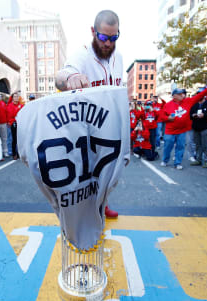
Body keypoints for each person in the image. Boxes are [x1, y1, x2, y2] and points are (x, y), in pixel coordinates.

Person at [54, 9, 122, 218]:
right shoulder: (82, 55)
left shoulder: (117, 57)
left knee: (107, 173)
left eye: (113, 37)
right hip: (83, 130)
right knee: (84, 175)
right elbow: (60, 76)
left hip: (108, 127)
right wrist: (71, 77)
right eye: (103, 37)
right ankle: (82, 213)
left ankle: (103, 203)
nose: (108, 43)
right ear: (93, 32)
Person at [160, 87, 207, 169]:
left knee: (180, 146)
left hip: (182, 130)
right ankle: (165, 160)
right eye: (179, 94)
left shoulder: (188, 101)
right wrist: (168, 118)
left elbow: (198, 96)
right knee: (168, 146)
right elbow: (161, 116)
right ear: (174, 96)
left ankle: (177, 163)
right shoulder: (168, 105)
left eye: (182, 93)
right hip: (170, 130)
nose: (182, 95)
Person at [189, 91, 207, 168]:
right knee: (197, 145)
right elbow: (190, 115)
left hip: (205, 127)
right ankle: (198, 159)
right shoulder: (195, 104)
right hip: (196, 127)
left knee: (205, 145)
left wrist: (204, 115)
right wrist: (193, 115)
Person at [6, 92, 24, 160]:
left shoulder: (21, 105)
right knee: (14, 139)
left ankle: (19, 153)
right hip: (13, 123)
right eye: (15, 96)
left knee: (20, 139)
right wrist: (17, 110)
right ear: (12, 98)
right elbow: (12, 114)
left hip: (20, 123)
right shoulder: (10, 105)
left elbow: (23, 113)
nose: (16, 97)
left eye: (17, 96)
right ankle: (14, 153)